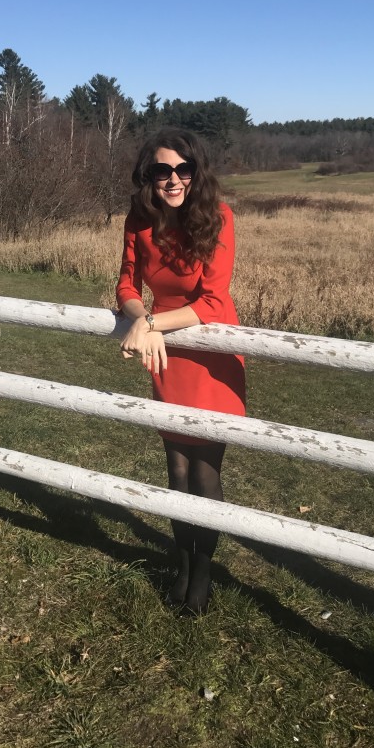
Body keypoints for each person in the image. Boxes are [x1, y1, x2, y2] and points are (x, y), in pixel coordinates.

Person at [116, 127, 246, 615]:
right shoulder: (139, 221)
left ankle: (204, 570)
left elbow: (212, 301)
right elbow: (125, 285)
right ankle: (182, 562)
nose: (173, 180)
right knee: (176, 467)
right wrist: (139, 317)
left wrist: (150, 321)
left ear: (196, 172)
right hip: (166, 352)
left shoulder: (219, 217)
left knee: (205, 471)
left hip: (211, 355)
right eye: (162, 171)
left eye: (183, 169)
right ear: (148, 176)